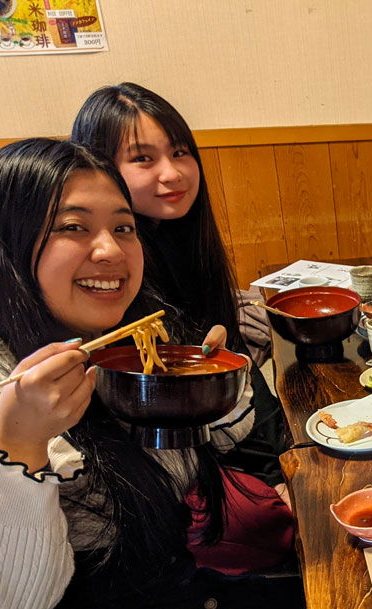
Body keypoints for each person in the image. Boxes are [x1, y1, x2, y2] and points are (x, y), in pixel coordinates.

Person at [0, 138, 315, 609]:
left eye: (122, 226)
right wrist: (19, 450)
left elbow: (186, 478)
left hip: (159, 600)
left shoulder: (127, 340)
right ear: (8, 243)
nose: (109, 249)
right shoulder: (2, 383)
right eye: (72, 227)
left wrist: (214, 389)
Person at [71, 82, 288, 489]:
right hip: (184, 472)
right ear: (98, 168)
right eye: (142, 159)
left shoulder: (176, 235)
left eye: (179, 152)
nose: (171, 173)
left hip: (232, 437)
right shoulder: (109, 266)